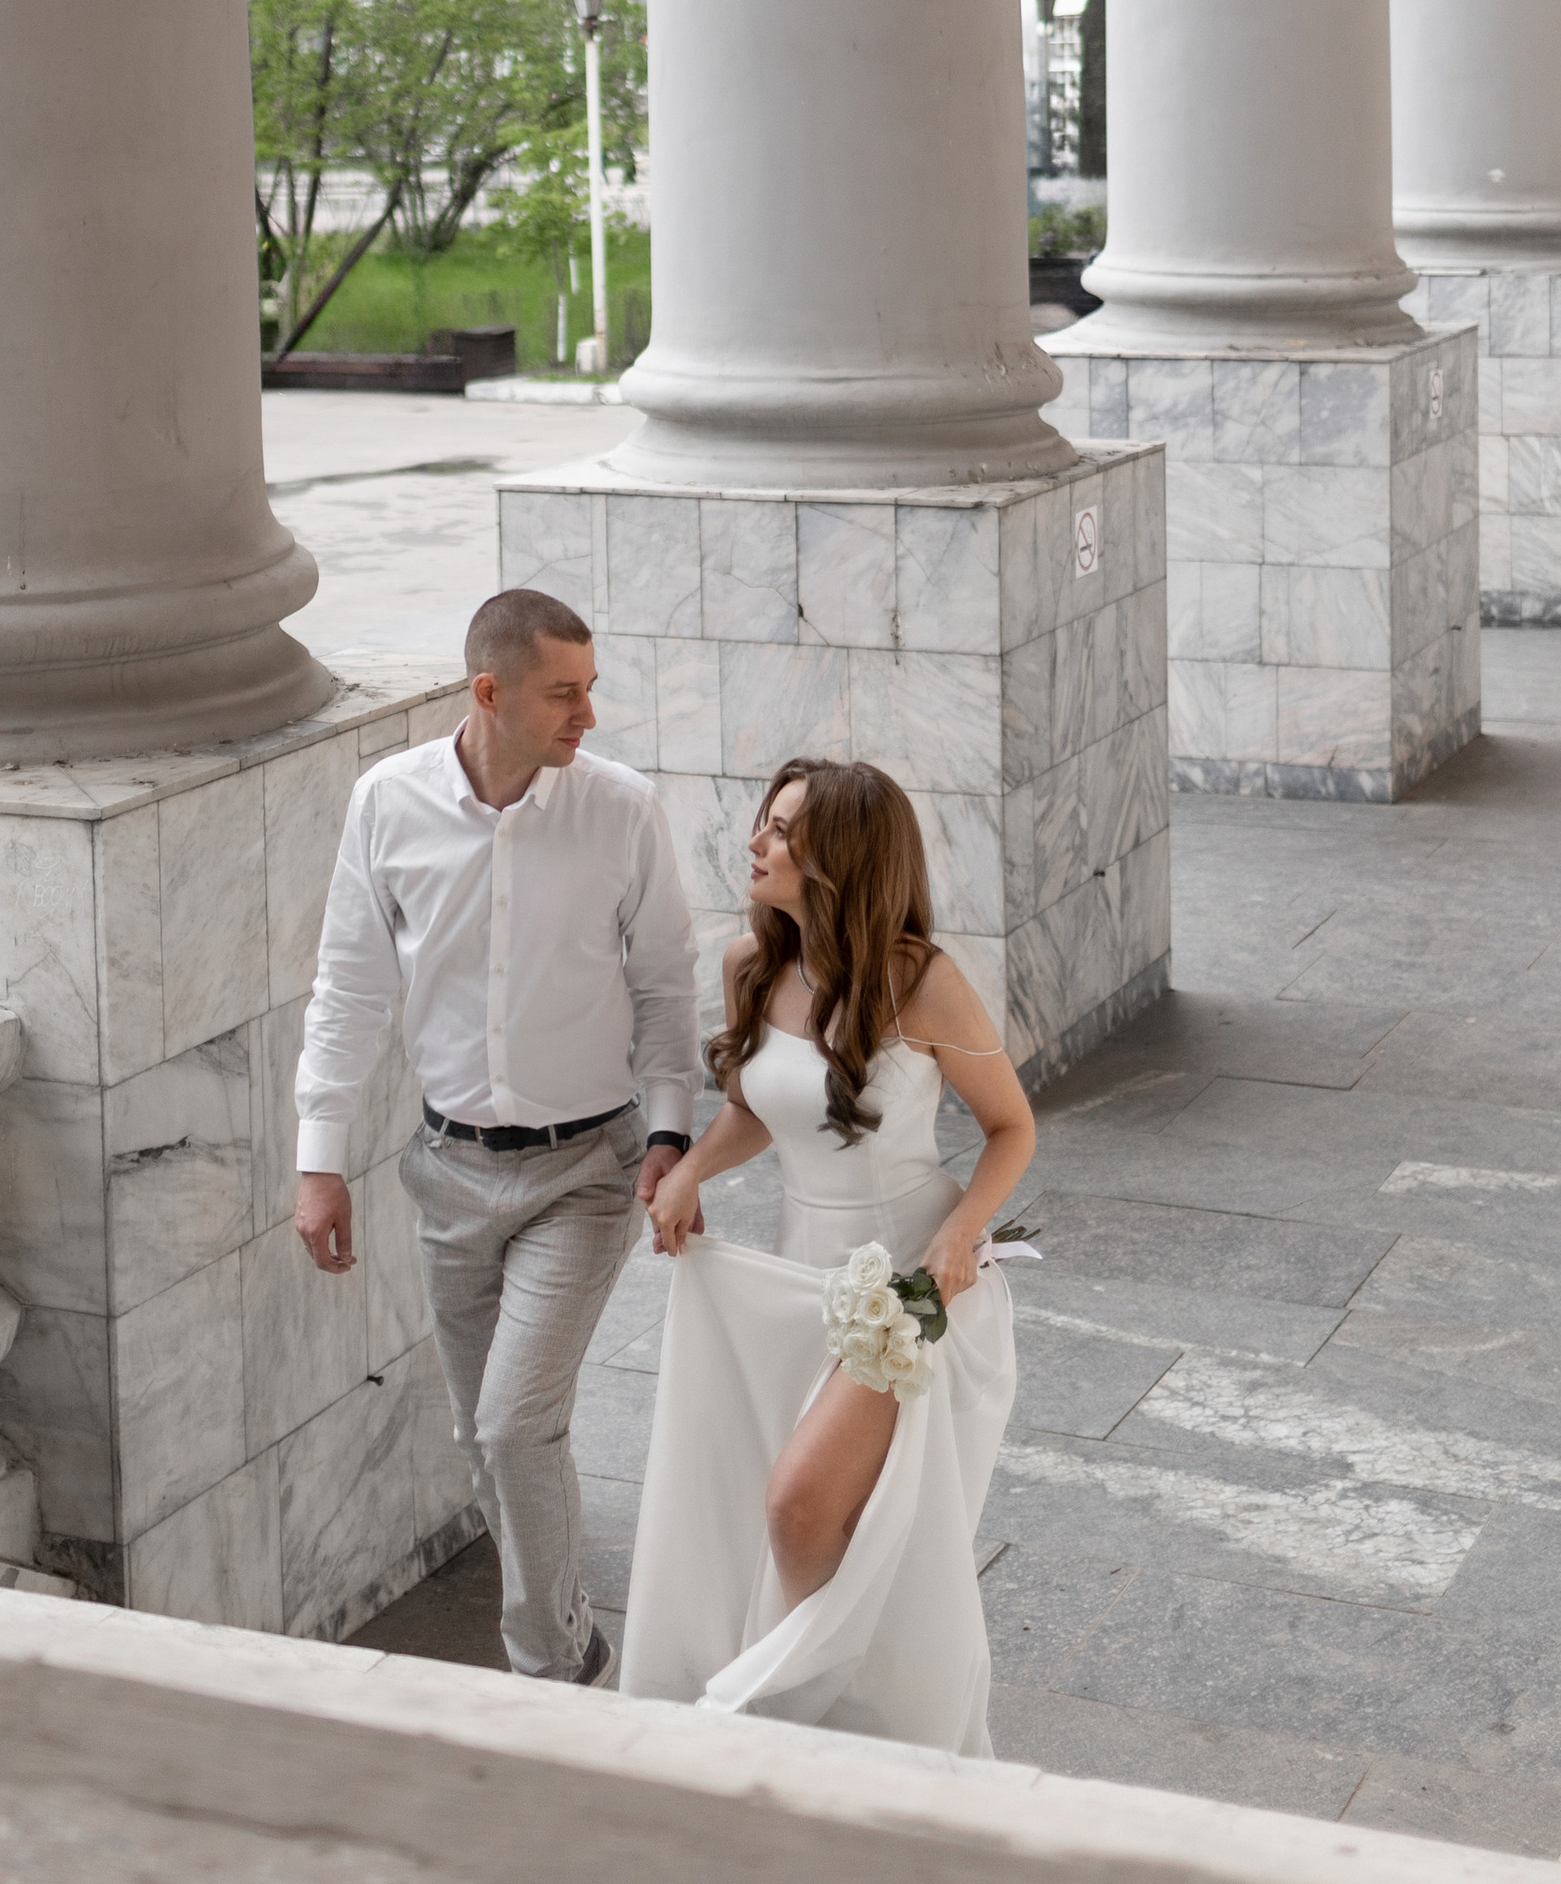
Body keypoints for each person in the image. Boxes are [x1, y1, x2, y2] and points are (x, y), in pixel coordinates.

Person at [294, 583, 701, 1684]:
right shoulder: (387, 803)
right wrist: (319, 1159)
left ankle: (547, 1665)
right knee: (486, 1438)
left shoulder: (619, 808)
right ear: (491, 692)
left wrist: (670, 1134)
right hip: (447, 1172)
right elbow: (349, 987)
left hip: (587, 1169)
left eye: (591, 690)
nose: (588, 715)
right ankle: (568, 1625)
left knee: (518, 1425)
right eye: (564, 694)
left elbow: (666, 986)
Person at [618, 757, 1035, 1755]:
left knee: (799, 1507)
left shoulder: (922, 982)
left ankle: (801, 1711)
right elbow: (764, 1111)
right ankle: (861, 1708)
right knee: (823, 1518)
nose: (754, 842)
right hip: (795, 1275)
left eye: (782, 830)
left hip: (908, 1290)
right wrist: (692, 1173)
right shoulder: (750, 965)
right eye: (763, 823)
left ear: (839, 858)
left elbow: (1012, 1128)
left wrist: (957, 1235)